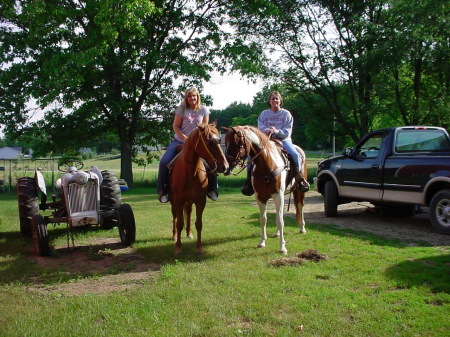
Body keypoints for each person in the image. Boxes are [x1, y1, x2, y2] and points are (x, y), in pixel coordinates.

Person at [241, 91, 309, 196]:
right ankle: (249, 182)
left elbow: (287, 131)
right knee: (251, 158)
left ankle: (300, 179)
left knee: (295, 155)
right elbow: (260, 128)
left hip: (283, 140)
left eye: (277, 99)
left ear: (280, 101)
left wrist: (276, 131)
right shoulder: (264, 114)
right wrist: (268, 130)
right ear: (269, 101)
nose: (274, 101)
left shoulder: (286, 114)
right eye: (272, 99)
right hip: (267, 141)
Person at [157, 87, 219, 203]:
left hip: (198, 144)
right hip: (180, 141)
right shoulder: (181, 109)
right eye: (189, 96)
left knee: (211, 162)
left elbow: (204, 129)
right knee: (164, 162)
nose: (192, 98)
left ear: (197, 97)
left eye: (194, 96)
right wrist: (185, 139)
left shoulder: (204, 110)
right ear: (186, 98)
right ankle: (164, 190)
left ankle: (212, 189)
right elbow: (176, 126)